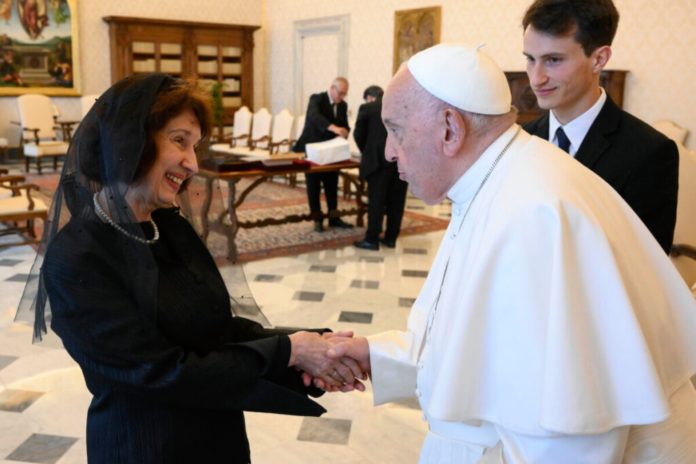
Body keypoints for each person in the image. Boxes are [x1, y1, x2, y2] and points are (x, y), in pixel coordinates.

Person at [327, 44, 696, 463]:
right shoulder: (499, 178)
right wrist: (374, 356)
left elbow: (571, 433)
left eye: (396, 131)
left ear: (449, 129)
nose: (389, 151)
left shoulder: (534, 215)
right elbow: (471, 347)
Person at [18, 74, 365, 463]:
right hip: (145, 449)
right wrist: (290, 351)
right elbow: (161, 372)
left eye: (195, 145)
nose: (193, 163)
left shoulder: (169, 226)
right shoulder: (77, 258)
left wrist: (313, 347)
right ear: (130, 141)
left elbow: (216, 330)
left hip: (218, 438)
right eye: (179, 140)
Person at [521, 0, 678, 254]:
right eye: (530, 59)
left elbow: (646, 263)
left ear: (599, 59)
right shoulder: (520, 139)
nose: (536, 78)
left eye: (553, 60)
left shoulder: (650, 152)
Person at [292, 77, 354, 232]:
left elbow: (344, 125)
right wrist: (335, 128)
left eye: (345, 94)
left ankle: (334, 217)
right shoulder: (317, 99)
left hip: (331, 150)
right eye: (341, 93)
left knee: (332, 183)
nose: (342, 97)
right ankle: (317, 219)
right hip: (312, 148)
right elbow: (315, 117)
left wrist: (345, 131)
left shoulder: (343, 105)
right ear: (332, 88)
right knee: (313, 185)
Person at [353, 85, 408, 250]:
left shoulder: (367, 108)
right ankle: (391, 238)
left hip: (377, 162)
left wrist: (367, 151)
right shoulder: (402, 107)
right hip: (400, 161)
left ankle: (372, 239)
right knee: (396, 201)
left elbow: (358, 135)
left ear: (370, 97)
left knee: (376, 202)